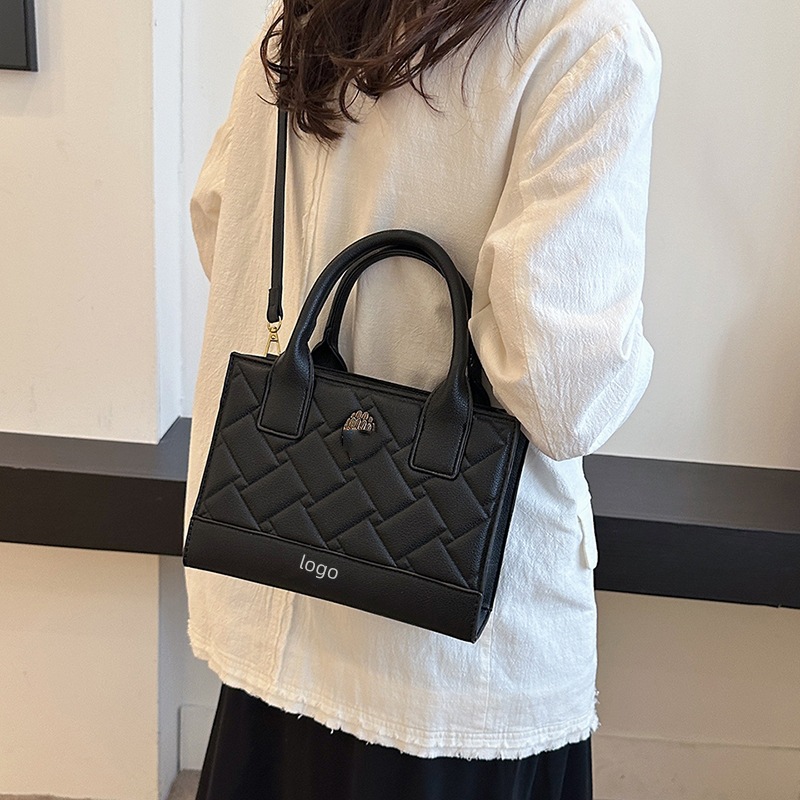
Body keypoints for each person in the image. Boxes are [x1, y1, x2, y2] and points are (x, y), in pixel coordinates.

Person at [184, 0, 661, 797]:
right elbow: (563, 392)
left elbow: (220, 225)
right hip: (449, 663)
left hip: (281, 577)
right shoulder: (584, 35)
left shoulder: (306, 15)